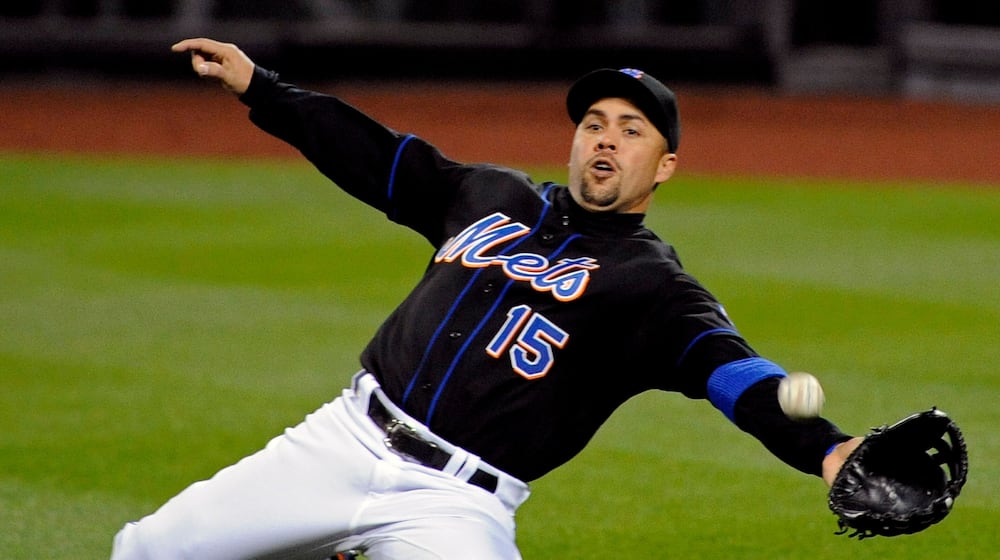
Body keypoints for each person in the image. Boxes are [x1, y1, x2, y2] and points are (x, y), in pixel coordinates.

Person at [111, 37, 863, 559]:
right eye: (594, 124)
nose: (605, 140)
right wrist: (260, 88)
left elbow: (731, 373)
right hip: (341, 441)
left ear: (664, 166)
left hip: (453, 504)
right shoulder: (489, 194)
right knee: (145, 550)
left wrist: (825, 448)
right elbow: (373, 156)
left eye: (631, 131)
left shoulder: (654, 287)